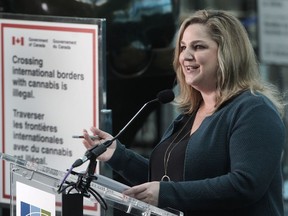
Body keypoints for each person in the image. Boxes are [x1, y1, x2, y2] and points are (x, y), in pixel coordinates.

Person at [82, 9, 286, 215]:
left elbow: (245, 184)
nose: (185, 56)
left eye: (198, 47)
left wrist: (166, 193)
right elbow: (167, 181)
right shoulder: (189, 115)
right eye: (182, 47)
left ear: (228, 53)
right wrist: (118, 156)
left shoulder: (254, 110)